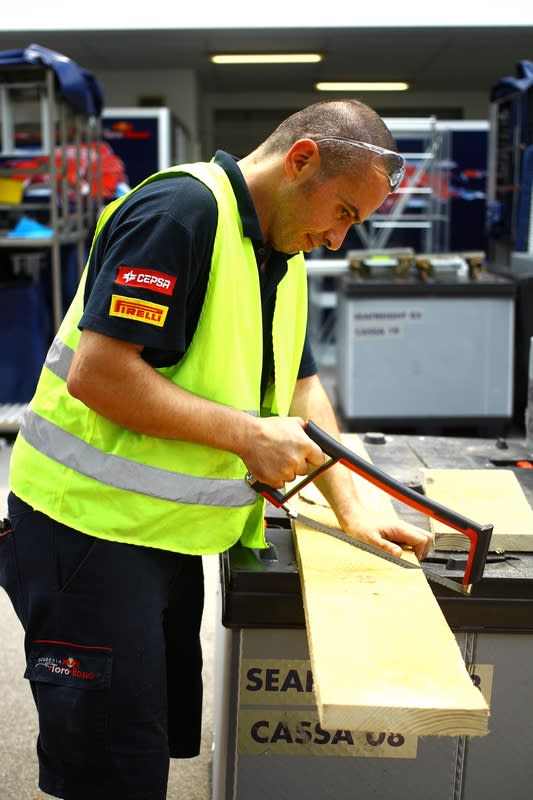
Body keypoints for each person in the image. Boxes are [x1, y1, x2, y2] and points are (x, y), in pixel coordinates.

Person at [1, 99, 433, 799]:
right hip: (83, 533)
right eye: (346, 213)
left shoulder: (278, 250)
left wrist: (351, 505)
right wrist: (245, 435)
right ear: (301, 162)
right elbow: (99, 374)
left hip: (156, 532)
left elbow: (300, 388)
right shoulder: (181, 214)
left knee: (145, 736)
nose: (339, 239)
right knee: (111, 767)